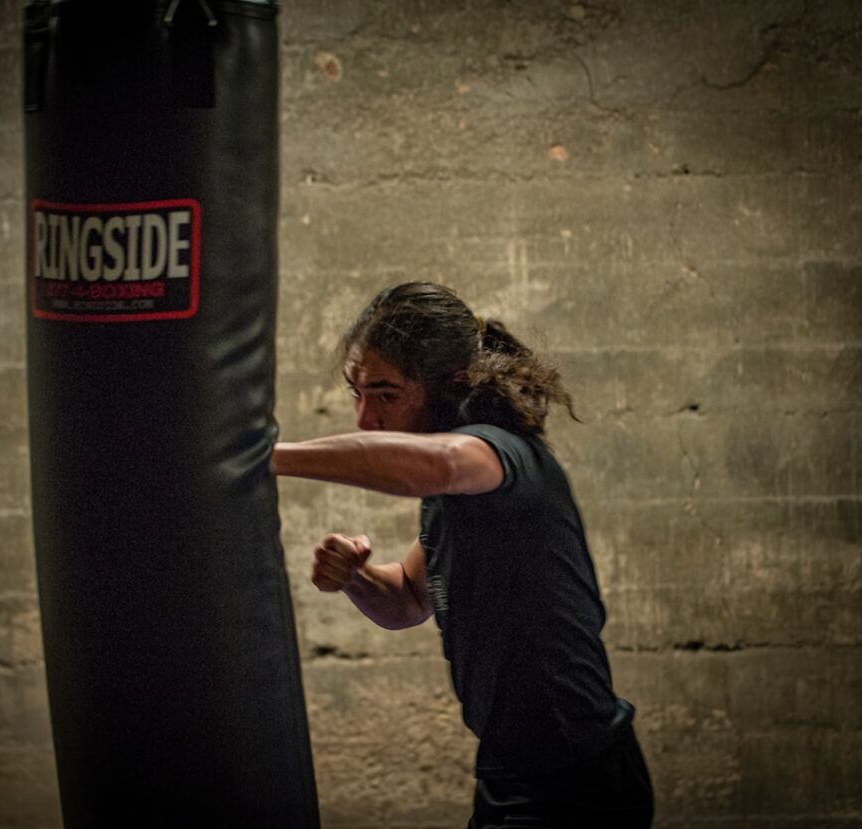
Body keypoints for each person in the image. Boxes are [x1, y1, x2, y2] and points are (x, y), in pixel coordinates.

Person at [272, 282, 654, 828]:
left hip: (576, 777)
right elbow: (405, 601)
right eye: (356, 391)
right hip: (509, 769)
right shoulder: (453, 502)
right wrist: (356, 578)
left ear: (446, 387)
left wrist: (262, 457)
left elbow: (443, 463)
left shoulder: (499, 455)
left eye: (384, 393)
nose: (364, 417)